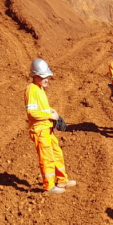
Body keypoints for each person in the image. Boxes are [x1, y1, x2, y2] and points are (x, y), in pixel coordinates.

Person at [25, 58, 76, 194]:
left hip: (47, 129)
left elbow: (43, 108)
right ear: (35, 76)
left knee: (57, 153)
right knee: (46, 158)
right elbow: (31, 113)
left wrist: (53, 111)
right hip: (40, 130)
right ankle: (49, 187)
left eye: (47, 76)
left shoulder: (40, 89)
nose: (47, 79)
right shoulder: (31, 90)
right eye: (43, 77)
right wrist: (49, 114)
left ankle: (62, 180)